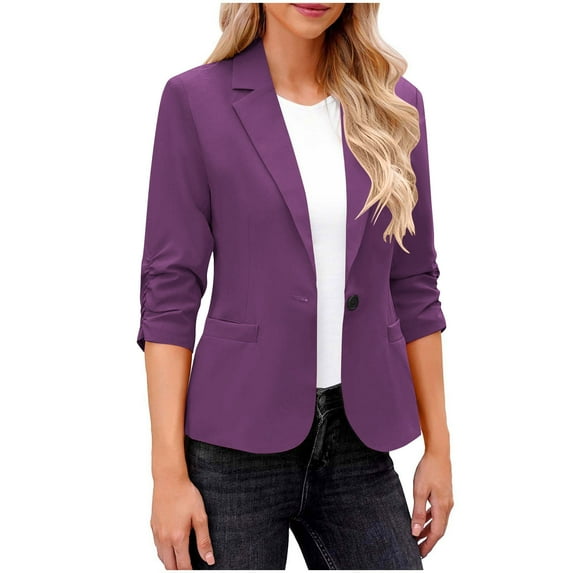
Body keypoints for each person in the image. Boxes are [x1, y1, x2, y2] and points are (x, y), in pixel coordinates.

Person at [136, 3, 453, 570]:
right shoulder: (196, 102)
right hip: (233, 445)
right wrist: (168, 475)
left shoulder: (395, 105)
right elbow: (170, 294)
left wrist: (439, 448)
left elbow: (414, 285)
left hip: (358, 439)